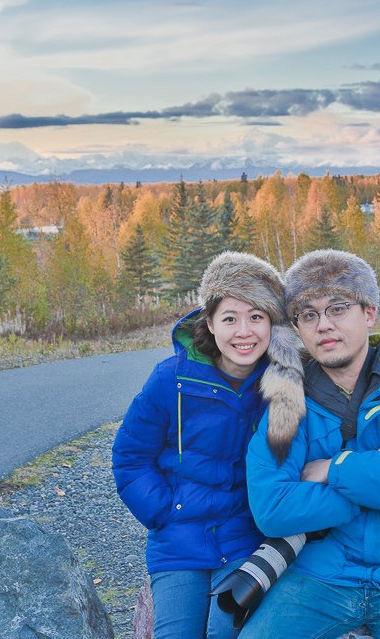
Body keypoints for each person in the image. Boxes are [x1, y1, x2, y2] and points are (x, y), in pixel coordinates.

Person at [242, 249, 380, 638]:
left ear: (369, 313)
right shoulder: (288, 397)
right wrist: (377, 473)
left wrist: (335, 469)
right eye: (308, 314)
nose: (324, 325)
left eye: (337, 308)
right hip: (323, 574)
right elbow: (273, 508)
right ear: (298, 327)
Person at [112, 251, 304, 639]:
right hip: (177, 540)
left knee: (225, 634)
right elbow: (130, 458)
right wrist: (163, 511)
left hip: (244, 537)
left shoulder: (284, 384)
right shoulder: (172, 379)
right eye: (230, 318)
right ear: (211, 323)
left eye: (256, 317)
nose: (244, 332)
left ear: (272, 325)